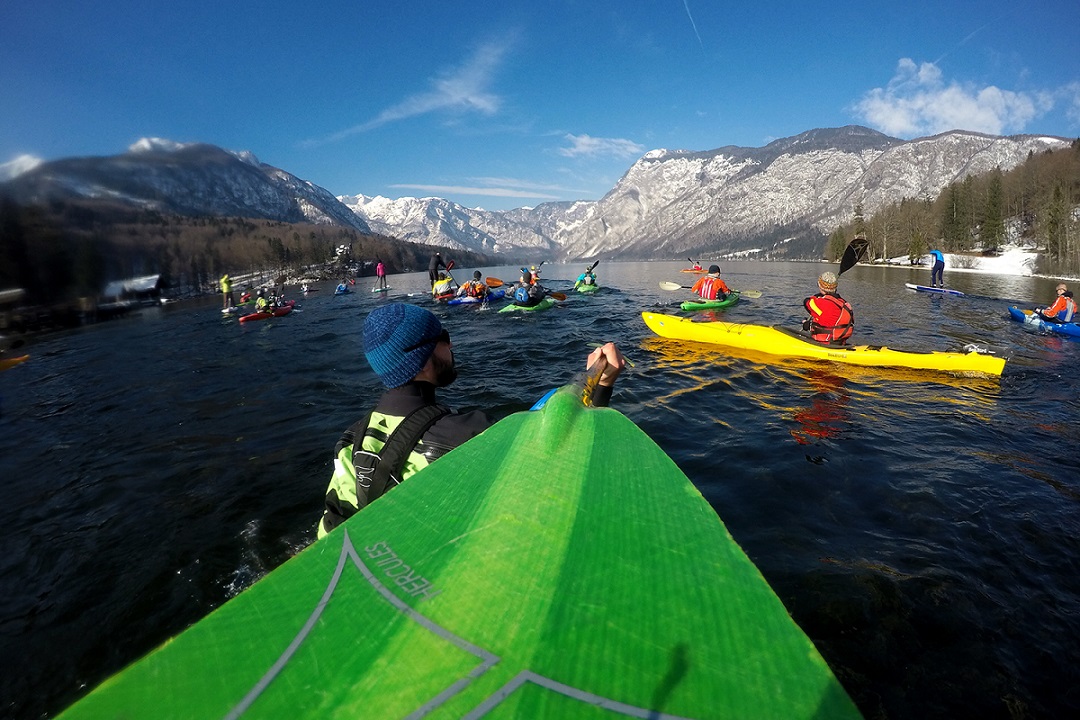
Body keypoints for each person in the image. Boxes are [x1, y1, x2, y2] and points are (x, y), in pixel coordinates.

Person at [316, 303, 626, 538]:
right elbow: (567, 458)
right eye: (444, 338)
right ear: (422, 361)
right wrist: (603, 384)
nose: (451, 346)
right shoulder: (468, 437)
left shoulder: (349, 441)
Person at [802, 271, 854, 344]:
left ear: (820, 286)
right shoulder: (845, 304)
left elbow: (806, 302)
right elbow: (828, 320)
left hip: (824, 344)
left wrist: (818, 295)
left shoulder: (819, 303)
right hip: (840, 343)